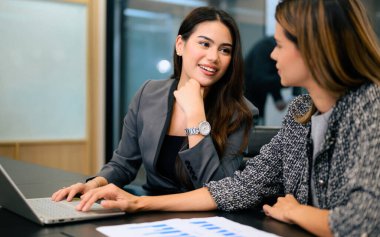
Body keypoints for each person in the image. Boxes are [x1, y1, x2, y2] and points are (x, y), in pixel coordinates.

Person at [72, 0, 380, 236]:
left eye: (280, 45)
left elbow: (362, 222)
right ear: (181, 45)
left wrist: (297, 212)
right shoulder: (300, 113)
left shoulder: (370, 107)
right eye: (203, 44)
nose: (272, 56)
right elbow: (240, 188)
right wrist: (136, 202)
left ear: (314, 50)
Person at [51, 7, 256, 201]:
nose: (213, 57)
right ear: (180, 45)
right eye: (204, 44)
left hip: (206, 220)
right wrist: (94, 184)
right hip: (148, 212)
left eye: (225, 50)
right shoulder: (149, 93)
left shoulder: (241, 113)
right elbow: (123, 164)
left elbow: (220, 192)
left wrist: (195, 114)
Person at [244, 36, 287, 125]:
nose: (274, 55)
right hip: (245, 100)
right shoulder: (266, 46)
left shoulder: (269, 46)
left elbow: (270, 73)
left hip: (254, 102)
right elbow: (260, 79)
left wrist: (277, 98)